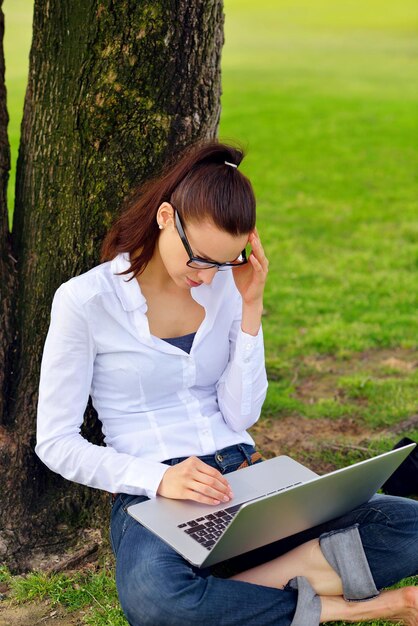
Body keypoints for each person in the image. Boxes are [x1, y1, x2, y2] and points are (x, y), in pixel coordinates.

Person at [36, 140, 418, 626]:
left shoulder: (228, 287)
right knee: (157, 600)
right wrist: (160, 478)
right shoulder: (86, 301)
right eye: (198, 259)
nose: (206, 276)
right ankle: (342, 606)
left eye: (223, 262)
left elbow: (241, 415)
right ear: (165, 217)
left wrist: (251, 309)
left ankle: (244, 588)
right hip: (156, 491)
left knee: (410, 527)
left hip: (246, 473)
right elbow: (55, 441)